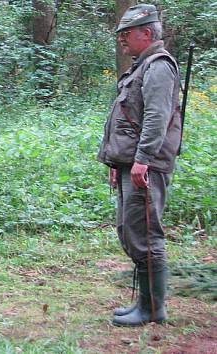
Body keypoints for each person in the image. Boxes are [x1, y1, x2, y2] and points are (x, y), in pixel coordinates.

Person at [97, 4, 182, 327]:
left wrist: (142, 160)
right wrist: (116, 161)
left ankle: (152, 310)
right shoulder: (141, 66)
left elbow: (156, 119)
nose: (121, 40)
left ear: (146, 33)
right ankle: (143, 304)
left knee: (146, 234)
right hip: (130, 164)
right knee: (131, 232)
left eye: (126, 34)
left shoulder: (158, 67)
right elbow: (126, 119)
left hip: (145, 166)